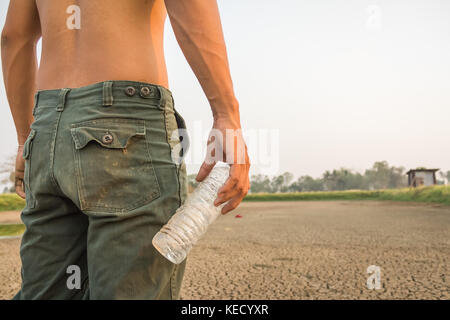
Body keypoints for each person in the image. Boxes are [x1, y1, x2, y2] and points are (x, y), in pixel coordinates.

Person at [1, 0, 250, 300]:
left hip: (46, 129)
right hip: (126, 125)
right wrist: (226, 114)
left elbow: (14, 37)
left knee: (49, 292)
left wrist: (25, 140)